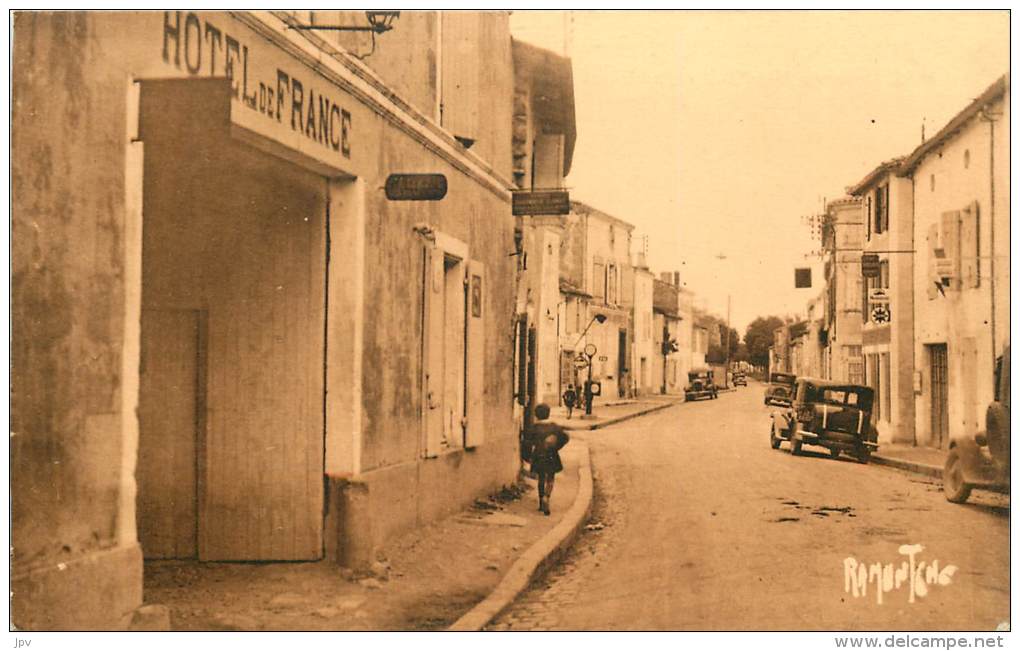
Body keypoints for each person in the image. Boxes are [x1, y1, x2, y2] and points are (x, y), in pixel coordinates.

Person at [523, 403, 570, 516]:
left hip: (538, 455)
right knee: (550, 478)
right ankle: (547, 497)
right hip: (551, 455)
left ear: (536, 415)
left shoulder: (534, 428)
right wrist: (556, 447)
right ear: (548, 414)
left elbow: (527, 442)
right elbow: (565, 437)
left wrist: (527, 456)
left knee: (541, 478)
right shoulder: (554, 427)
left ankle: (540, 502)